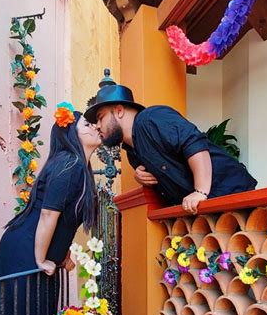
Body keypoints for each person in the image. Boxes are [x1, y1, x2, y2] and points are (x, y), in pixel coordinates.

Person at [84, 72, 257, 214]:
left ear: (119, 111)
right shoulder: (131, 150)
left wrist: (200, 191)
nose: (98, 126)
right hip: (206, 213)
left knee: (261, 252)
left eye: (100, 118)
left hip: (233, 194)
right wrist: (141, 178)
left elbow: (194, 142)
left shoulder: (152, 118)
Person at [0, 110, 101, 315]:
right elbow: (48, 215)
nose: (95, 127)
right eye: (87, 125)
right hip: (26, 252)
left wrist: (62, 254)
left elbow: (66, 219)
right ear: (72, 134)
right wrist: (41, 258)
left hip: (36, 250)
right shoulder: (70, 165)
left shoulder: (78, 167)